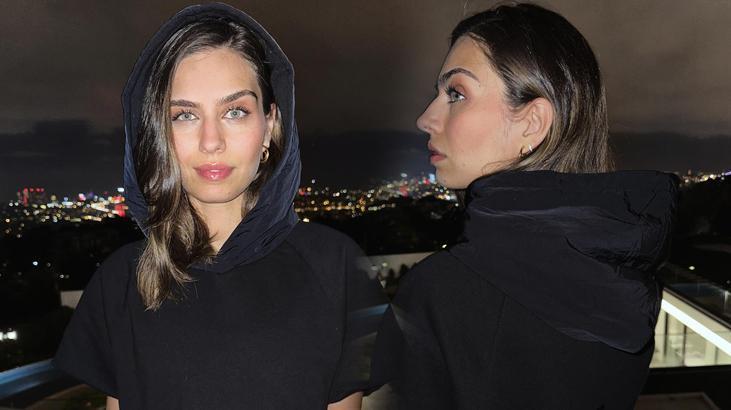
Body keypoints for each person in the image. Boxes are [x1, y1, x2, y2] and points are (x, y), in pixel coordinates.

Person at [53, 4, 387, 409]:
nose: (211, 141)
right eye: (184, 115)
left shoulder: (334, 267)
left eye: (235, 111)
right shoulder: (122, 282)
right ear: (158, 133)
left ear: (271, 125)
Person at [373, 3, 679, 409]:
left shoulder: (444, 293)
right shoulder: (622, 282)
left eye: (456, 93)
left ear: (532, 124)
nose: (426, 118)